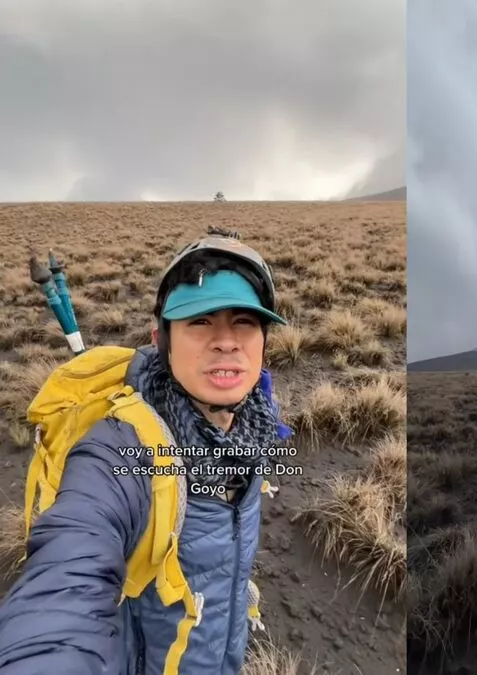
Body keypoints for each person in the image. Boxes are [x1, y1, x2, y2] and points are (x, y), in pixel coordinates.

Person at [0, 229, 289, 674]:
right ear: (161, 338)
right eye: (200, 320)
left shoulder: (256, 425)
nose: (226, 340)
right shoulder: (122, 447)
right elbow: (68, 574)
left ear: (264, 342)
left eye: (244, 322)